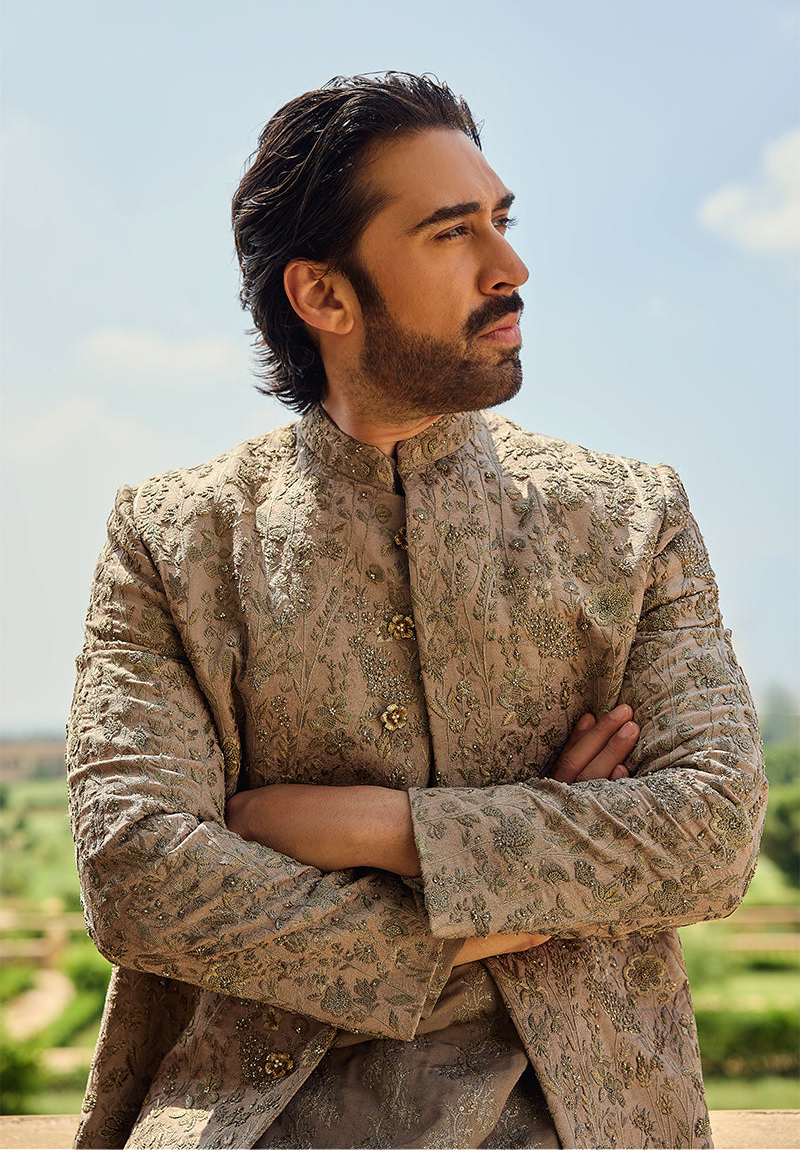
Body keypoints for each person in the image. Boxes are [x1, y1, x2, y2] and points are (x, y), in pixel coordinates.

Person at [67, 73, 766, 1150]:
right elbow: (136, 873)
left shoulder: (630, 519)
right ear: (324, 295)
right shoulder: (174, 537)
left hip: (582, 1118)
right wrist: (518, 893)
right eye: (450, 233)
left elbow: (710, 831)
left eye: (501, 221)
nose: (509, 269)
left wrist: (376, 829)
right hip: (249, 1118)